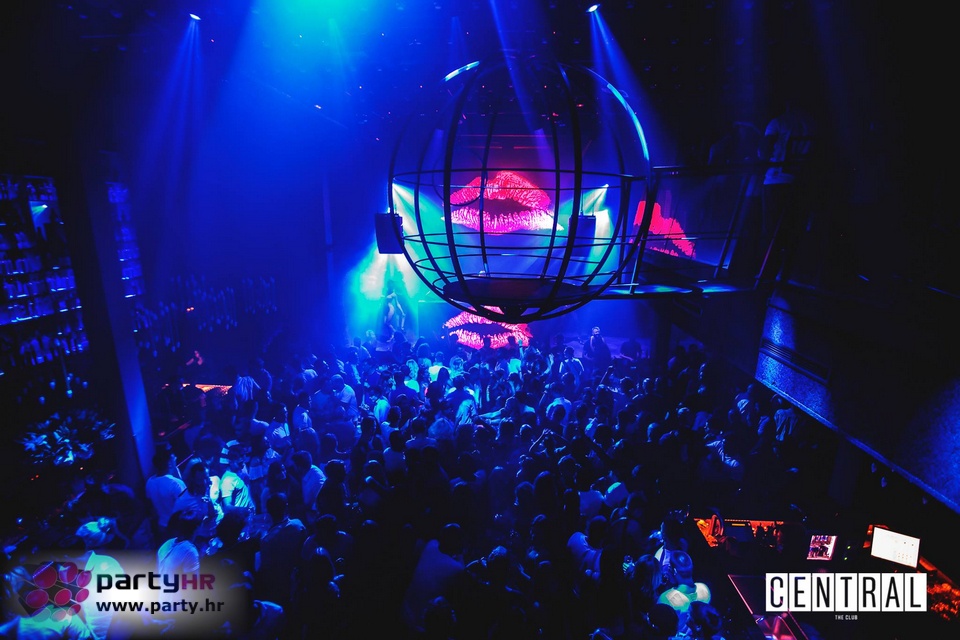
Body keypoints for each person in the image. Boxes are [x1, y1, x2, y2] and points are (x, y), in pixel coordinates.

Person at [758, 96, 815, 282]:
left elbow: (763, 152)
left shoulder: (778, 122)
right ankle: (788, 274)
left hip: (776, 180)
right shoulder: (811, 123)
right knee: (794, 229)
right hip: (799, 182)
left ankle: (767, 274)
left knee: (771, 230)